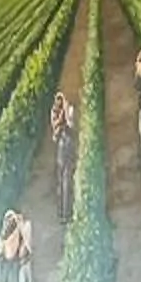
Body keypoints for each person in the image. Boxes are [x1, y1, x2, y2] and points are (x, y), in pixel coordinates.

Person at [50, 90, 80, 223]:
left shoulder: (68, 113)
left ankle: (64, 212)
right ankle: (64, 213)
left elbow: (72, 125)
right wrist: (62, 115)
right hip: (63, 151)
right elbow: (56, 130)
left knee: (65, 182)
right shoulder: (56, 115)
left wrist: (67, 113)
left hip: (65, 150)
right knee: (64, 183)